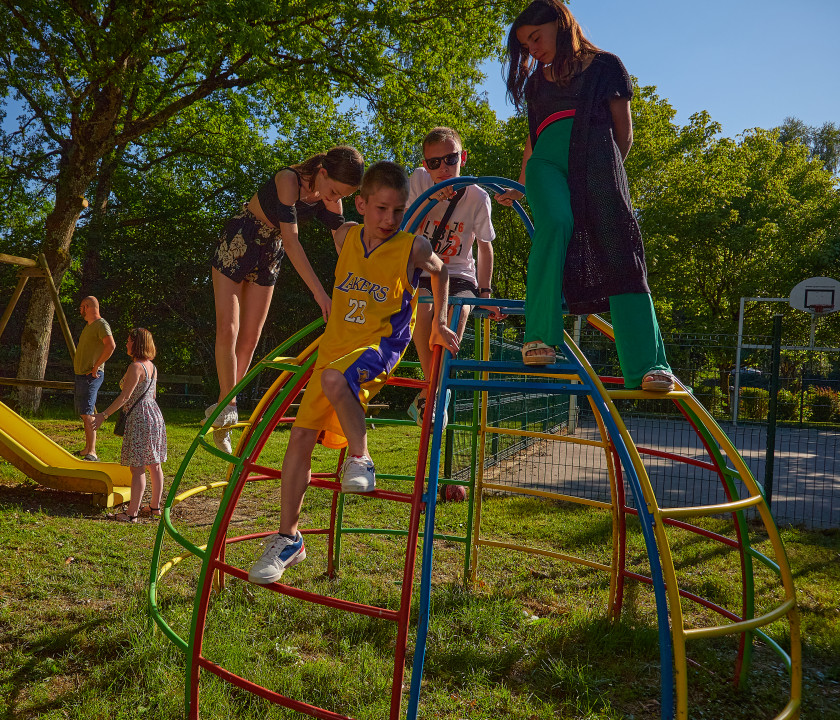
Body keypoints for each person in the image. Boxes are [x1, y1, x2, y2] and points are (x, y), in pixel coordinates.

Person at [247, 161, 460, 585]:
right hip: (335, 347)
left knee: (332, 379)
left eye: (398, 211)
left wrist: (436, 323)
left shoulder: (412, 246)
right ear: (361, 204)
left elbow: (442, 271)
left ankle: (362, 457)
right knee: (300, 438)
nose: (389, 219)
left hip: (379, 345)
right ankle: (289, 537)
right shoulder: (345, 236)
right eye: (380, 209)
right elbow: (321, 199)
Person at [495, 0, 675, 392]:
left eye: (536, 38)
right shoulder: (537, 82)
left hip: (597, 163)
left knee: (621, 248)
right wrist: (522, 184)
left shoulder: (606, 65)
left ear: (561, 24)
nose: (533, 49)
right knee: (556, 223)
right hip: (547, 166)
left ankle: (649, 365)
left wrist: (603, 177)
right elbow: (534, 138)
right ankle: (539, 337)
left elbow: (622, 133)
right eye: (525, 45)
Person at [208, 146, 365, 453]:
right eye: (333, 191)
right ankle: (227, 407)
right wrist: (321, 294)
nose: (334, 199)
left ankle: (225, 405)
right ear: (322, 172)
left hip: (269, 252)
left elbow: (340, 240)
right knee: (229, 328)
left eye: (341, 196)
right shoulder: (287, 180)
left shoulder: (332, 195)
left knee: (251, 337)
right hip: (241, 239)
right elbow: (292, 241)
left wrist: (364, 247)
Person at [404, 126, 502, 427]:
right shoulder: (419, 181)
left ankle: (430, 398)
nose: (443, 168)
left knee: (453, 322)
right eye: (434, 163)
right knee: (426, 316)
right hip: (426, 268)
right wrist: (433, 199)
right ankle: (435, 396)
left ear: (464, 157)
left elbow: (485, 249)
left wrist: (485, 294)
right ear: (425, 164)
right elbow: (407, 230)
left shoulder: (478, 197)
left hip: (460, 273)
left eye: (450, 159)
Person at [91, 328, 167, 523]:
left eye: (129, 341)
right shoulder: (153, 367)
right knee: (155, 464)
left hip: (140, 417)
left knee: (138, 467)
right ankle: (155, 507)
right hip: (155, 415)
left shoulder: (135, 368)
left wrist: (103, 415)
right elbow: (154, 395)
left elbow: (125, 397)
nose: (126, 344)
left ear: (137, 344)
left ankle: (131, 513)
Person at [72, 296, 116, 462]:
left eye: (81, 307)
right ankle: (87, 448)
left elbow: (111, 345)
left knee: (88, 412)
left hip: (92, 375)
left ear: (87, 306)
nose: (80, 310)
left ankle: (92, 452)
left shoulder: (101, 324)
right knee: (85, 413)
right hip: (82, 374)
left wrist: (97, 365)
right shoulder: (89, 326)